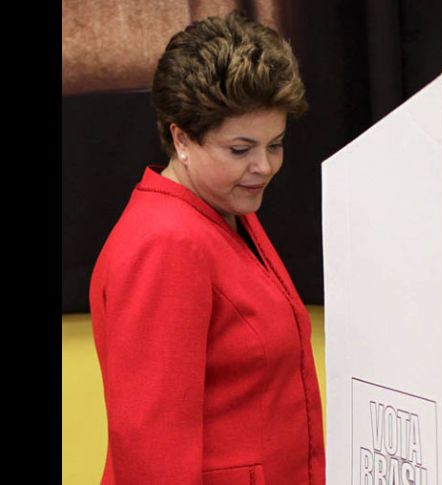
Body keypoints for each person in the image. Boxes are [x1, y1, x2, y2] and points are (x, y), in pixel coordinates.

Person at [89, 11, 325, 485]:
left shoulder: (228, 211)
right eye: (240, 149)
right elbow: (153, 453)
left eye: (275, 144)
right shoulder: (166, 243)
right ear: (180, 137)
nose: (264, 166)